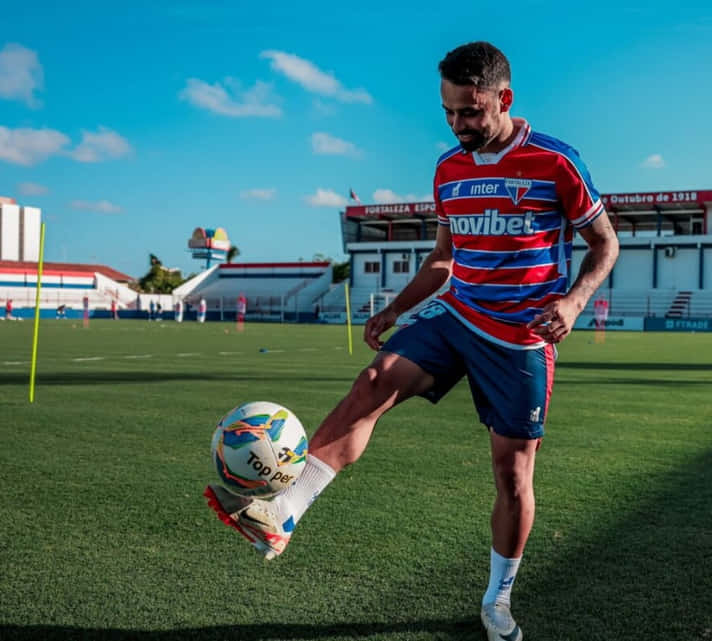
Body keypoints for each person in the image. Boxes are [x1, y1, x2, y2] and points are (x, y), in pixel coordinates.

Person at [204, 41, 619, 641]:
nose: (457, 124)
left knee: (512, 475)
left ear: (503, 98)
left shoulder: (557, 162)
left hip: (522, 337)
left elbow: (605, 243)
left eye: (470, 112)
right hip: (459, 314)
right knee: (375, 379)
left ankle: (498, 599)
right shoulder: (449, 170)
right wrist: (396, 310)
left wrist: (575, 301)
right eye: (448, 112)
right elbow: (443, 259)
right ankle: (283, 512)